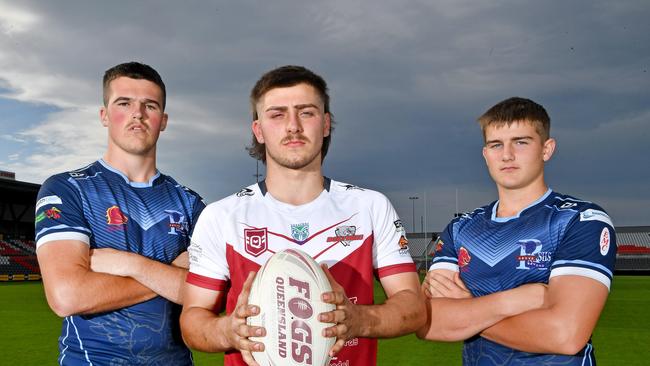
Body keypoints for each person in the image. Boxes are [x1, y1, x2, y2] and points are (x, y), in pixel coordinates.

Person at [180, 65, 424, 366]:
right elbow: (192, 321)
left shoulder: (369, 207)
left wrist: (360, 320)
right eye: (277, 114)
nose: (293, 126)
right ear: (258, 130)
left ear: (325, 124)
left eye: (306, 112)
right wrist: (228, 331)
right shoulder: (222, 216)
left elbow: (413, 307)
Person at [417, 97, 617, 365]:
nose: (507, 155)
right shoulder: (461, 228)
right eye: (496, 145)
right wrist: (514, 301)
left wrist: (467, 308)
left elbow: (565, 334)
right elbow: (427, 322)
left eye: (521, 142)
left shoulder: (578, 220)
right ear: (485, 154)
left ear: (547, 149)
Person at [35, 62, 205, 365]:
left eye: (149, 105)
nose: (137, 113)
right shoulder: (68, 189)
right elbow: (67, 296)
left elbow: (207, 296)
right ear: (104, 116)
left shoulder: (190, 204)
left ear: (163, 120)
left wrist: (131, 265)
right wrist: (171, 275)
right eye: (124, 103)